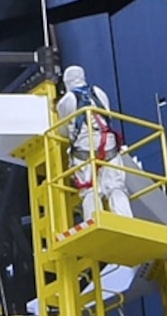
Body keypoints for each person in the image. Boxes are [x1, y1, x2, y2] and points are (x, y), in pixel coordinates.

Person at [55, 65, 134, 220]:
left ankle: (94, 220)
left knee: (90, 188)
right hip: (108, 144)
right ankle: (125, 219)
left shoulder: (66, 101)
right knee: (115, 185)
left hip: (85, 147)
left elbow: (63, 131)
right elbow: (108, 116)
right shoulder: (99, 92)